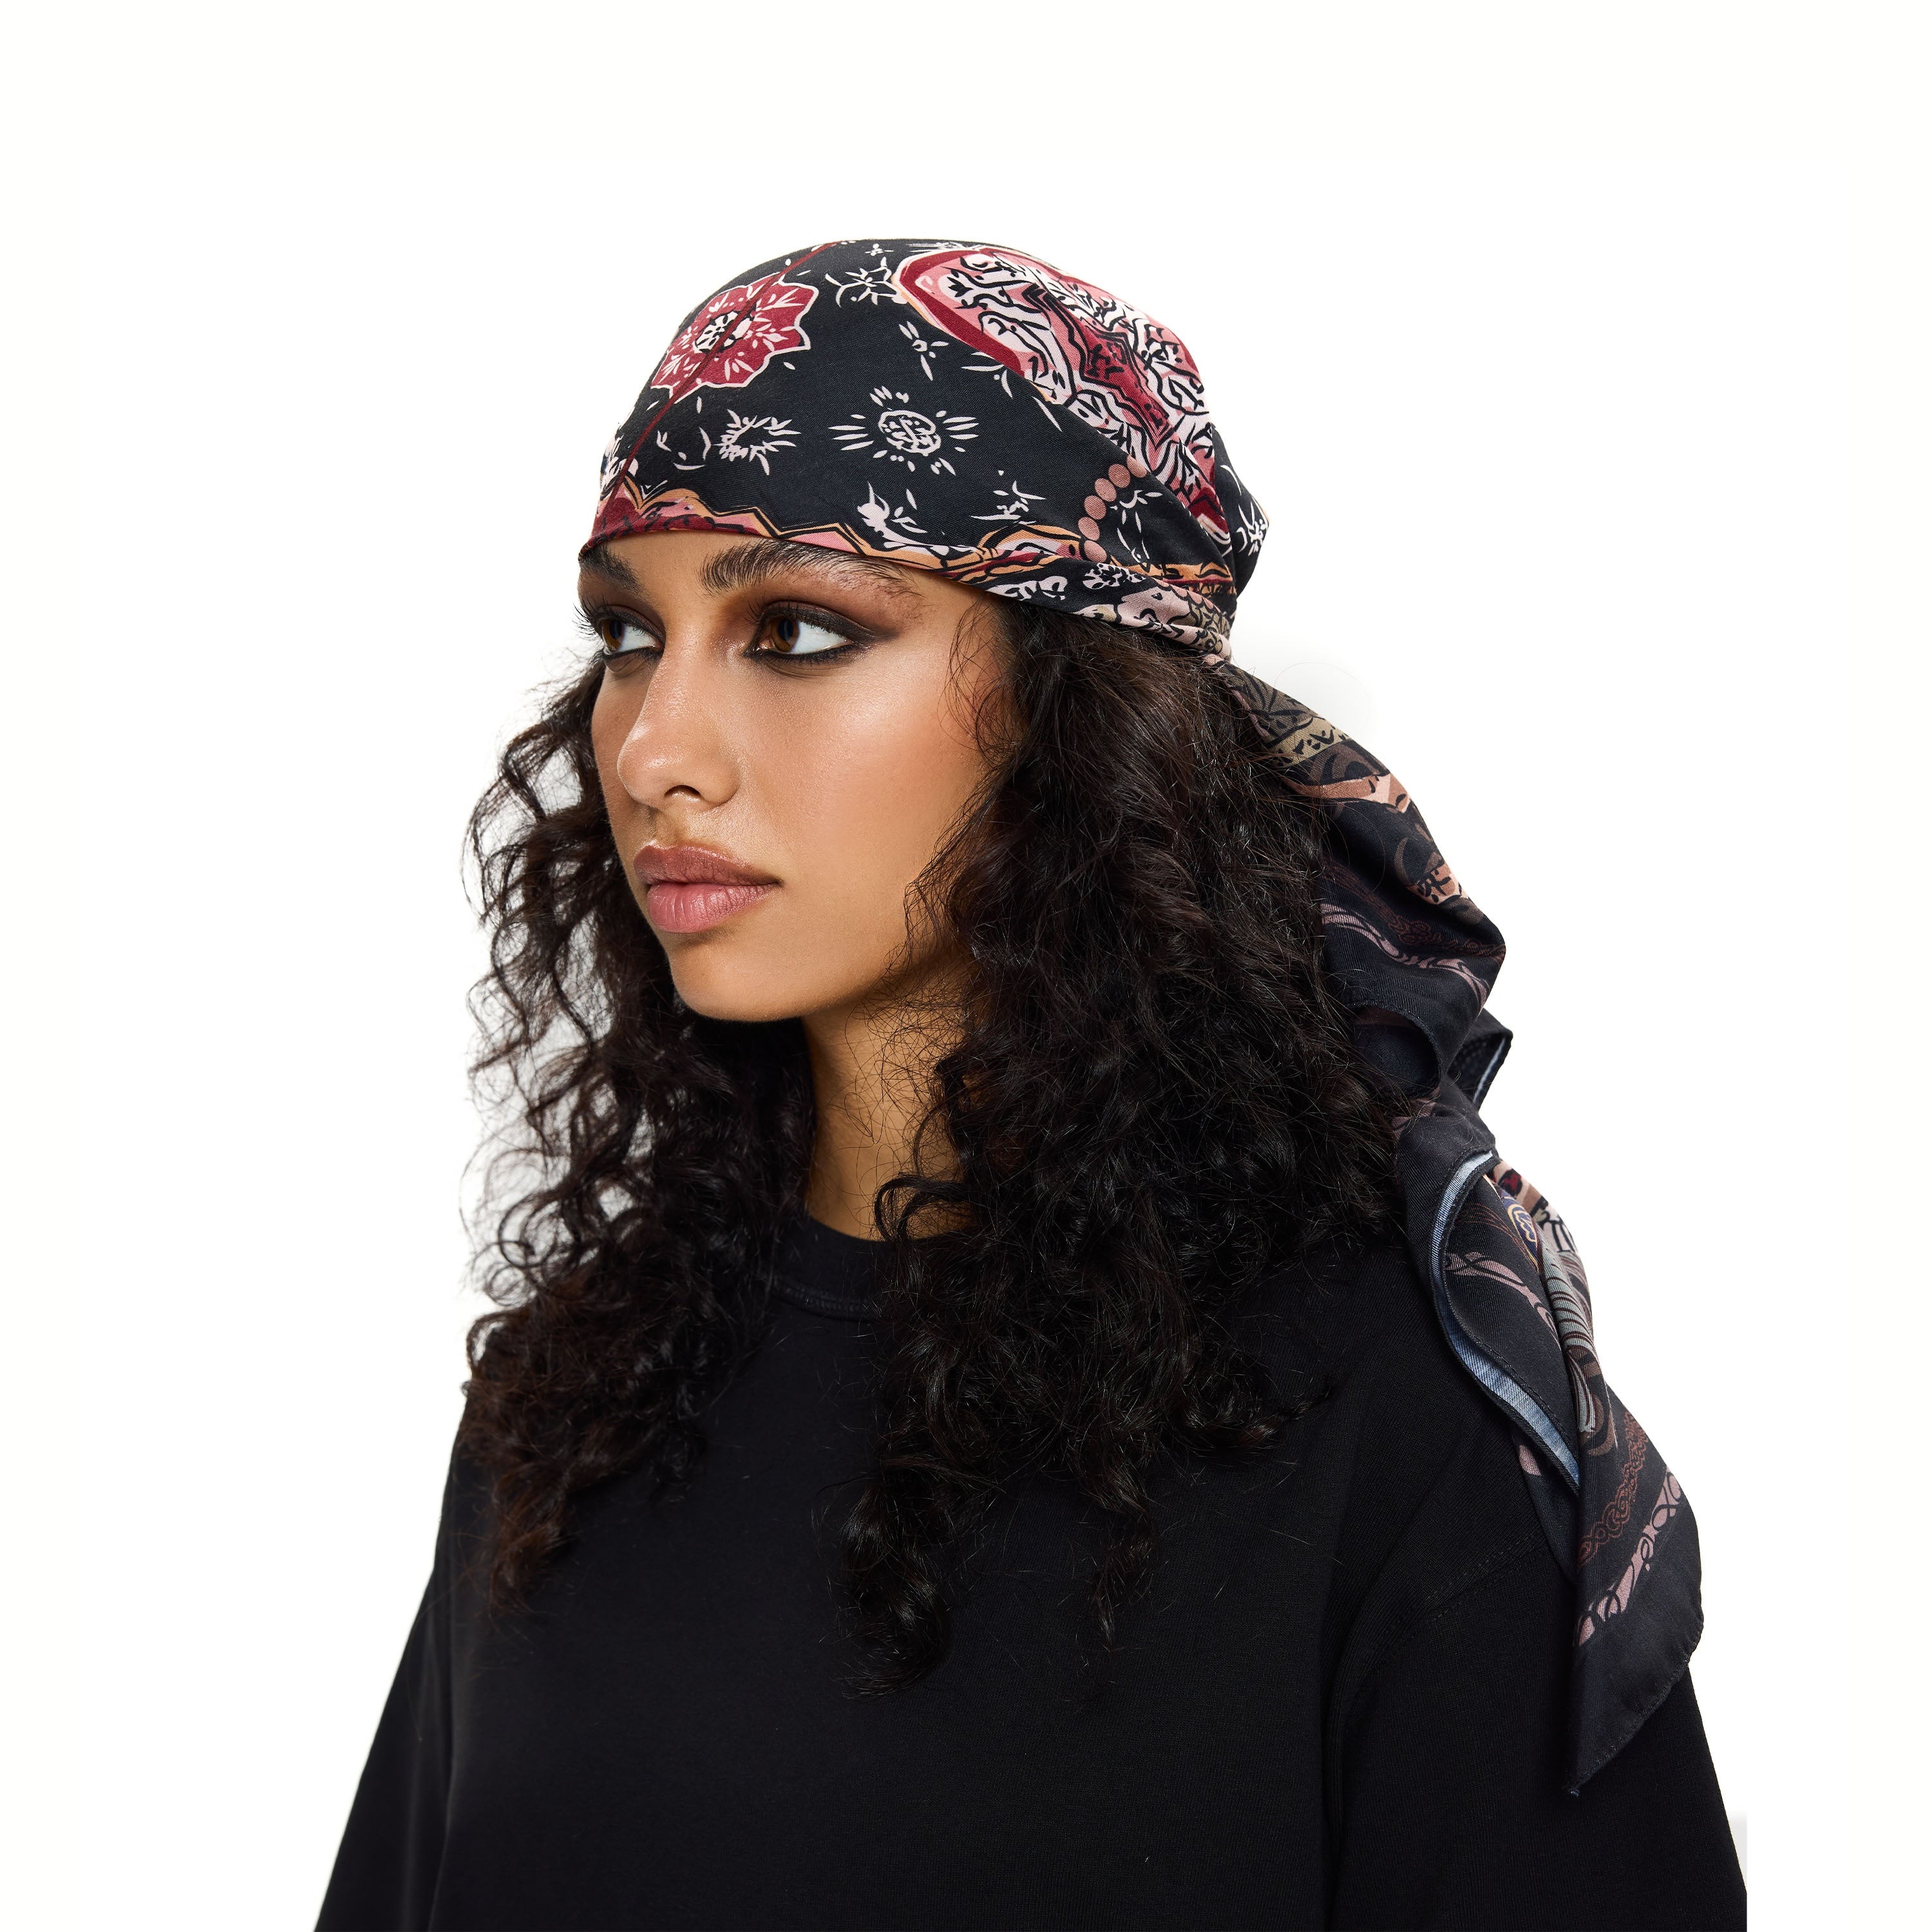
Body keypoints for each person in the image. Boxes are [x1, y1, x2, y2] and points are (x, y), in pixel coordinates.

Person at [317, 240, 1745, 1931]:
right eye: (630, 634)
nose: (652, 749)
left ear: (1077, 708)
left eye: (796, 630)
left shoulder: (1392, 1427)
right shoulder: (579, 1401)